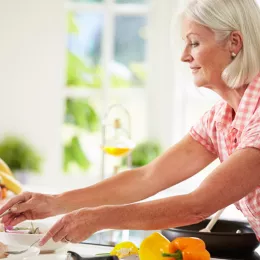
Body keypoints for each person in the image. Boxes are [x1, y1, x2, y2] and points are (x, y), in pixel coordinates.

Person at [1, 0, 260, 246]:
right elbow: (147, 177)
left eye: (194, 43)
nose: (184, 56)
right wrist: (55, 203)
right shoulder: (221, 119)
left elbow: (198, 205)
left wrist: (98, 219)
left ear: (234, 43)